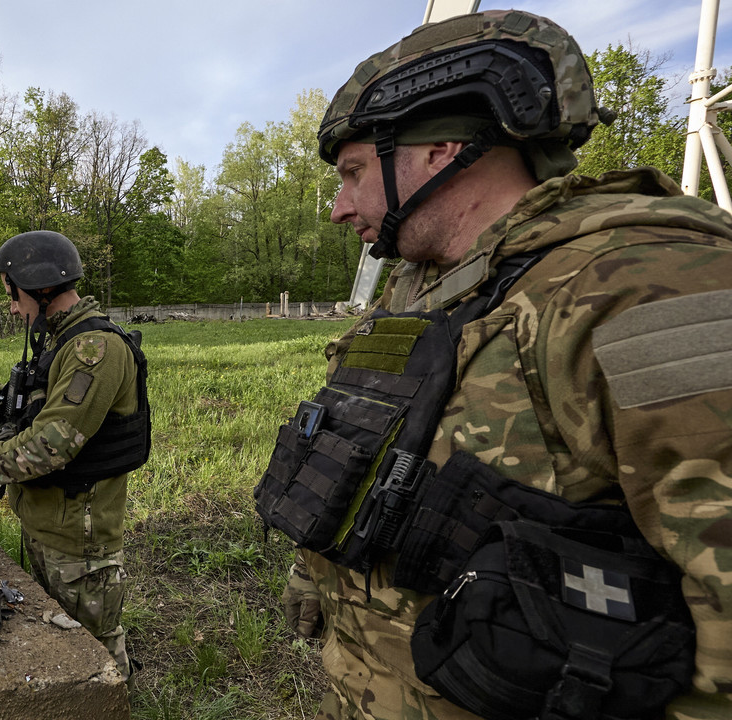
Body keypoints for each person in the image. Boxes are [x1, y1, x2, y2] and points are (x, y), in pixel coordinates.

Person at [259, 9, 732, 720]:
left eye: (355, 172)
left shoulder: (646, 285)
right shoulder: (424, 292)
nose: (338, 207)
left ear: (440, 150)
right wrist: (315, 577)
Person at [0, 230, 149, 682]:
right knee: (60, 643)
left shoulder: (95, 349)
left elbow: (47, 445)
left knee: (95, 655)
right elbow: (25, 407)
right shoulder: (62, 343)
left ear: (40, 288)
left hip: (78, 541)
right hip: (48, 524)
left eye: (13, 296)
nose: (13, 307)